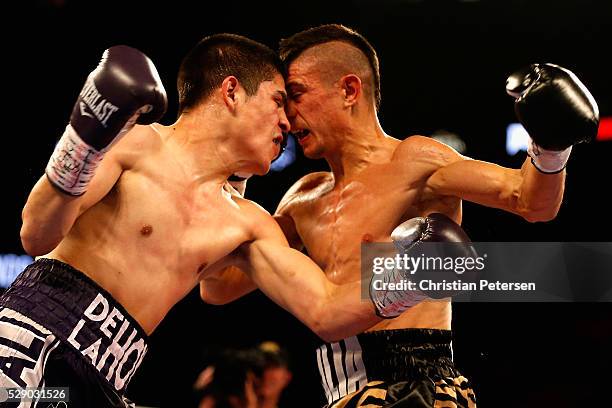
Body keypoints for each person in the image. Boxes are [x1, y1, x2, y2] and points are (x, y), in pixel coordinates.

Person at [0, 33, 428, 408]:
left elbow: (327, 310)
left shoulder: (246, 224)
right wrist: (82, 141)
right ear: (231, 91)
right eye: (278, 101)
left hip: (107, 378)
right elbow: (36, 233)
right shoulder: (139, 145)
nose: (287, 121)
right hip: (31, 341)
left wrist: (426, 274)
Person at [200, 24, 598, 408]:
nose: (288, 115)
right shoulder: (303, 198)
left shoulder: (413, 160)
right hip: (338, 392)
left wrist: (551, 147)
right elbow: (220, 287)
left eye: (298, 94)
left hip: (418, 388)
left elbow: (531, 202)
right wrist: (236, 169)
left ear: (349, 89)